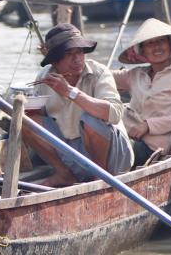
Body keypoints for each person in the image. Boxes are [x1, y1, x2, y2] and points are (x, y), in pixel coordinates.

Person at [24, 24, 133, 186]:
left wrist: (70, 91)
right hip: (70, 153)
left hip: (112, 157)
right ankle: (64, 174)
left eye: (80, 52)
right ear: (54, 60)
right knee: (24, 122)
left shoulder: (99, 73)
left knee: (91, 119)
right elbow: (39, 117)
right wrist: (26, 107)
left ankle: (100, 177)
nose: (77, 59)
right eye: (69, 54)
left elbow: (115, 113)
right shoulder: (45, 76)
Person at [113, 18, 171, 167]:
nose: (157, 47)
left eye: (161, 41)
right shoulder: (135, 75)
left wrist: (148, 125)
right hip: (125, 137)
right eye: (150, 43)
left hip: (152, 149)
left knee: (112, 151)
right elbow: (102, 76)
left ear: (170, 45)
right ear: (142, 50)